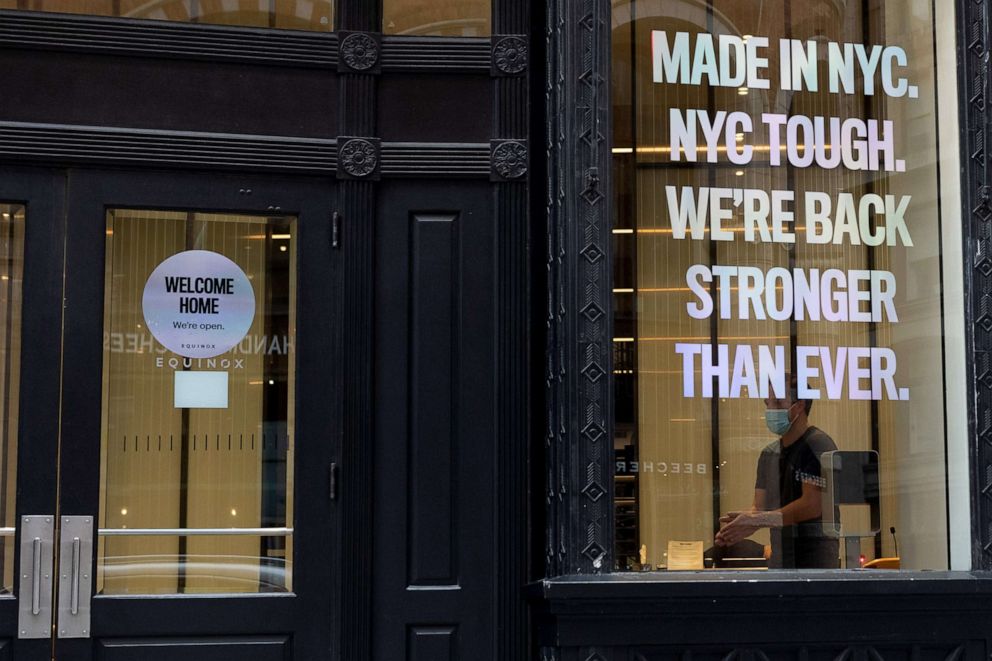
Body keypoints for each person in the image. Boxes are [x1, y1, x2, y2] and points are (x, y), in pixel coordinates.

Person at [715, 377, 839, 569]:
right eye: (768, 403)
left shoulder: (817, 445)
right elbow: (759, 507)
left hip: (814, 558)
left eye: (778, 403)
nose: (771, 410)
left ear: (799, 406)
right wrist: (744, 523)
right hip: (780, 555)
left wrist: (758, 520)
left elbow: (813, 504)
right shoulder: (769, 454)